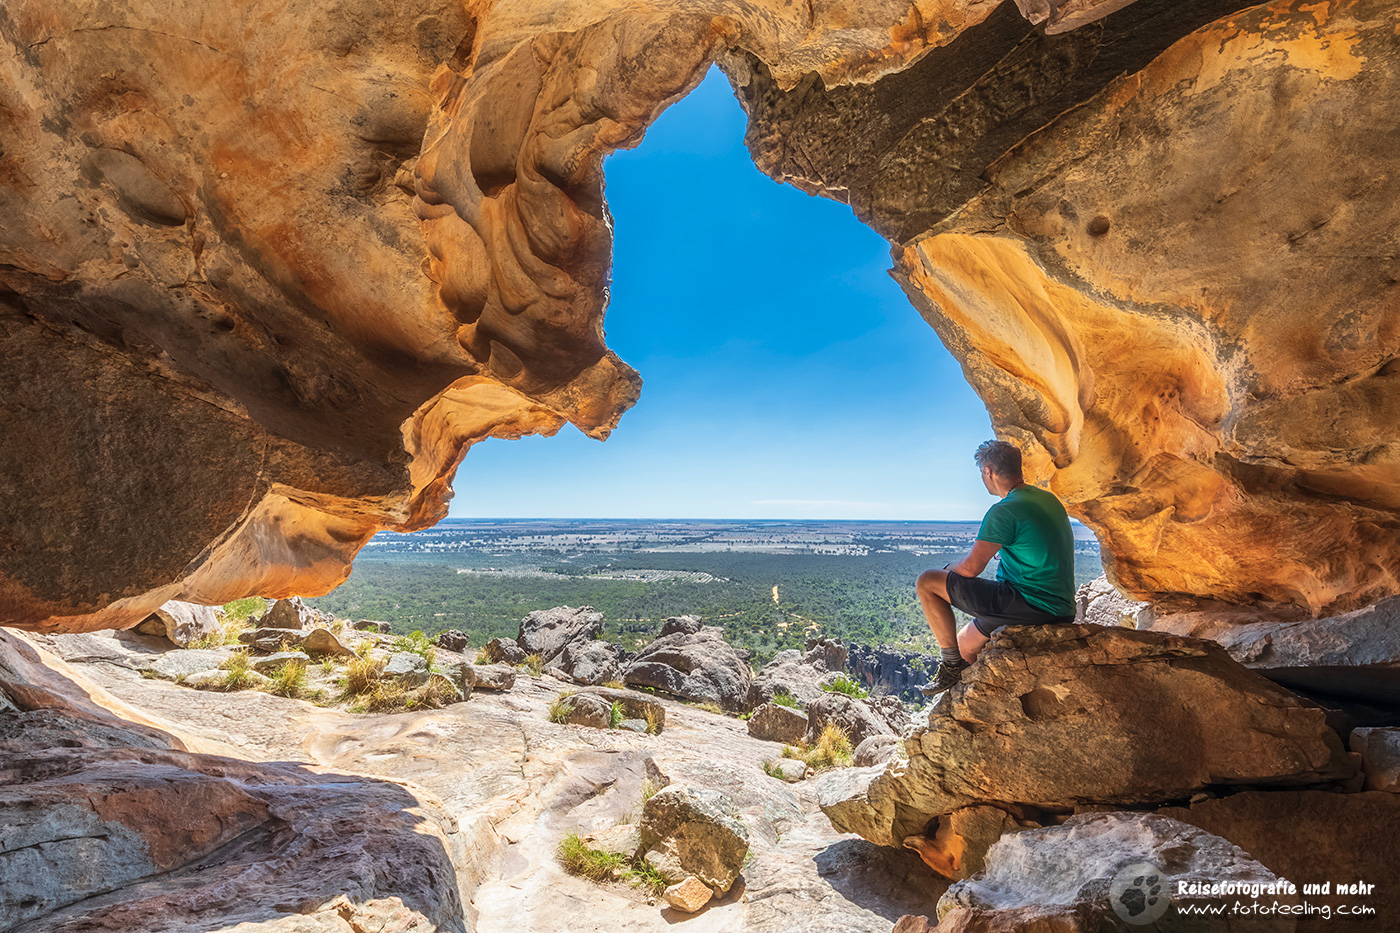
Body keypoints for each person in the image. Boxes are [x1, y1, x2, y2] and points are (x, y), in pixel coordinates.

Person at [916, 439, 1076, 695]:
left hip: (1028, 603)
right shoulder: (1048, 501)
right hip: (1061, 607)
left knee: (927, 581)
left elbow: (970, 569)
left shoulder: (1005, 510)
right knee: (964, 644)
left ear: (988, 471)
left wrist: (947, 569)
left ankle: (950, 667)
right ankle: (963, 689)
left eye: (982, 473)